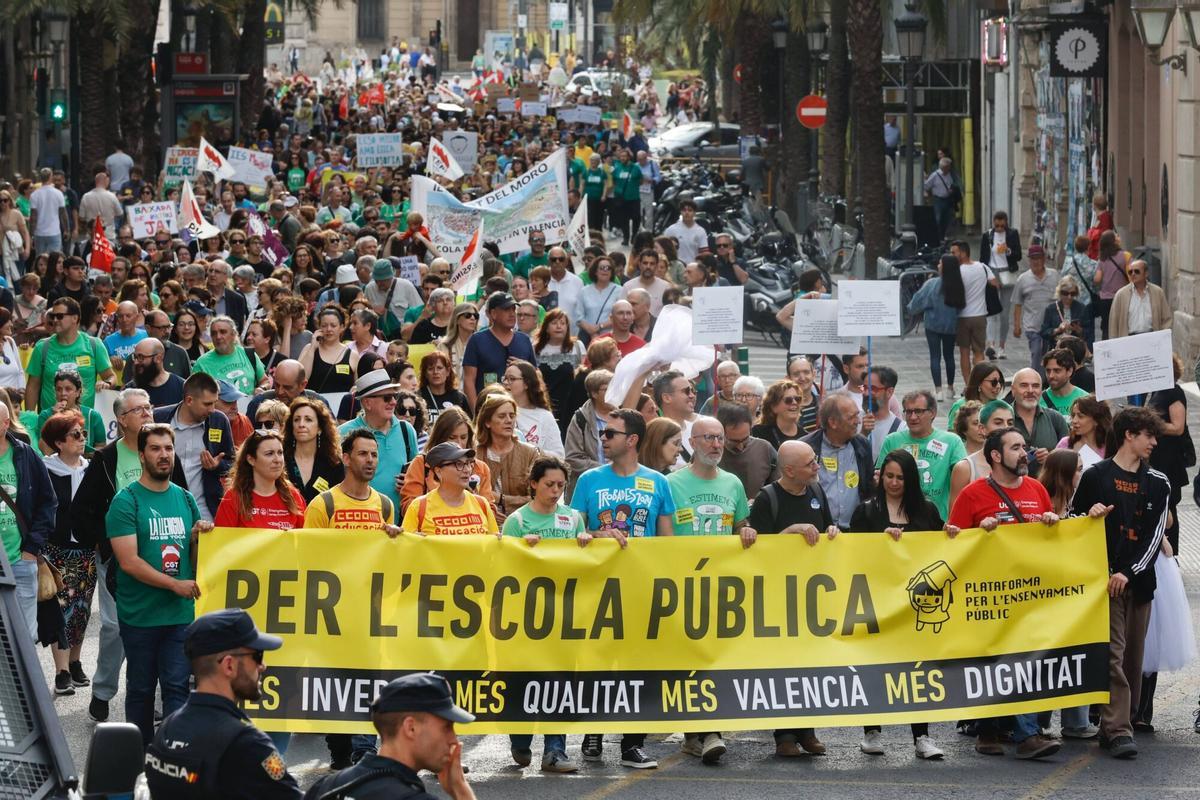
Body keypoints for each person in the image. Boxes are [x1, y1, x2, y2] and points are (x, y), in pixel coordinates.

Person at [946, 427, 1064, 760]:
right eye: (1015, 448)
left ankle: (1026, 734)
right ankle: (989, 729)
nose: (1023, 453)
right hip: (987, 595)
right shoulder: (972, 494)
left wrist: (1053, 523)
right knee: (992, 662)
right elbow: (952, 542)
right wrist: (975, 534)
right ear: (996, 456)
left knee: (1023, 661)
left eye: (1024, 447)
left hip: (1027, 595)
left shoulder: (1037, 489)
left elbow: (1047, 540)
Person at [572, 409, 673, 770]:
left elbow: (668, 541)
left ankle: (633, 743)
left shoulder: (659, 482)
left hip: (641, 588)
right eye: (603, 433)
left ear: (631, 440)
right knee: (598, 663)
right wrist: (597, 535)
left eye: (611, 434)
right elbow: (575, 531)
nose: (604, 439)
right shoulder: (588, 480)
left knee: (640, 667)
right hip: (598, 585)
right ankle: (594, 731)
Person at [1069, 407, 1169, 759]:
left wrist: (1128, 572)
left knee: (1132, 657)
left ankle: (1116, 723)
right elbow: (1072, 520)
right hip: (1102, 581)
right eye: (1148, 435)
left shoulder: (1159, 482)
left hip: (1138, 583)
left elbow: (1155, 537)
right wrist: (1089, 515)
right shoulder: (1096, 475)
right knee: (1112, 654)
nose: (1154, 442)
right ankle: (1117, 729)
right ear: (1130, 434)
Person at [106, 423, 212, 743]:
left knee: (177, 687)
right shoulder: (126, 502)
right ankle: (136, 758)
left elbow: (195, 559)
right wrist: (174, 585)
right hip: (140, 615)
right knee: (140, 689)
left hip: (179, 615)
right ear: (141, 455)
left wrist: (197, 538)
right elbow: (129, 562)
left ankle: (171, 754)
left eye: (168, 448)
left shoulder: (183, 498)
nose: (164, 455)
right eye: (155, 449)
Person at [848, 449, 956, 759]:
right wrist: (879, 542)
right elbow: (853, 557)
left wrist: (950, 533)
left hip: (918, 607)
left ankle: (922, 736)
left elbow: (940, 553)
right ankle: (871, 732)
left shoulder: (928, 511)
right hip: (879, 603)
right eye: (889, 476)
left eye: (900, 477)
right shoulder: (866, 512)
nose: (894, 483)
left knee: (918, 669)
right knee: (877, 668)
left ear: (911, 480)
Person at [71, 388, 162, 722]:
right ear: (122, 420)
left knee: (152, 629)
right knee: (115, 627)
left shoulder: (162, 453)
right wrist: (103, 543)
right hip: (118, 561)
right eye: (140, 410)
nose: (148, 414)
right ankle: (103, 691)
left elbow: (179, 495)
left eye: (150, 408)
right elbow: (80, 512)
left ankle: (142, 697)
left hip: (158, 556)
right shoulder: (106, 459)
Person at [667, 416, 754, 765]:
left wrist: (747, 532)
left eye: (719, 438)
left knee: (715, 661)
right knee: (690, 661)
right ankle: (700, 732)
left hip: (723, 587)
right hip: (682, 585)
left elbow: (741, 524)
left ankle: (707, 732)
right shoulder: (670, 483)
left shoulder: (733, 483)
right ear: (692, 441)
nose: (716, 444)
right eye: (708, 438)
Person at [145, 608, 301, 799]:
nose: (262, 666)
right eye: (257, 656)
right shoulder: (248, 744)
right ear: (229, 665)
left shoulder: (167, 730)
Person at [746, 440, 836, 755]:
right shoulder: (767, 499)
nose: (817, 466)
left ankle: (807, 731)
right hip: (777, 596)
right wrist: (791, 531)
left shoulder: (816, 492)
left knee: (810, 665)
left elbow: (826, 529)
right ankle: (784, 735)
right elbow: (756, 550)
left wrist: (833, 533)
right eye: (811, 462)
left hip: (811, 594)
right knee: (783, 666)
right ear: (789, 470)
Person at [501, 454, 589, 773]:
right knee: (524, 680)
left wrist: (585, 542)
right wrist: (520, 548)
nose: (555, 491)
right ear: (533, 484)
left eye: (561, 486)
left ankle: (555, 751)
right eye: (549, 485)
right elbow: (500, 567)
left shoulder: (572, 519)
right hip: (526, 617)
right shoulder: (518, 522)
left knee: (559, 682)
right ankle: (520, 740)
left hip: (562, 615)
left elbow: (586, 563)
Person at [304, 672, 478, 800]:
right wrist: (461, 791)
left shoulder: (326, 787)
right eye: (446, 727)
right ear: (411, 728)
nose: (454, 739)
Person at [1036, 448, 1101, 741]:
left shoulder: (1080, 503)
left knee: (1076, 655)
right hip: (1045, 595)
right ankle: (1038, 721)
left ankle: (1076, 721)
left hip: (1075, 592)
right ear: (1063, 473)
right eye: (1077, 468)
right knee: (1045, 658)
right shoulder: (1041, 504)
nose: (1081, 473)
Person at [40, 411, 94, 695]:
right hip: (54, 549)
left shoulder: (91, 468)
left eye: (82, 434)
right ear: (59, 442)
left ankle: (75, 662)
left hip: (84, 550)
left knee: (82, 610)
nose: (82, 439)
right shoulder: (45, 470)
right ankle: (61, 671)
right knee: (58, 610)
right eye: (75, 435)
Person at [339, 368, 420, 514]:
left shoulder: (406, 430)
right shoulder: (343, 433)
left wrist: (410, 483)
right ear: (367, 403)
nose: (394, 402)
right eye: (387, 398)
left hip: (399, 526)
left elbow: (419, 476)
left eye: (394, 396)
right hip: (357, 521)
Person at [876, 390, 966, 519]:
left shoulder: (952, 442)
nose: (912, 417)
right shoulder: (891, 440)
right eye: (908, 412)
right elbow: (880, 478)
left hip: (938, 522)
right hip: (900, 521)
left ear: (933, 413)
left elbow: (963, 480)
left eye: (918, 411)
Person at [25, 297, 115, 412]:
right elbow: (33, 387)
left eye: (60, 316)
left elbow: (111, 376)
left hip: (85, 423)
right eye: (53, 316)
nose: (55, 320)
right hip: (50, 423)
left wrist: (107, 383)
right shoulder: (42, 347)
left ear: (75, 318)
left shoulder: (94, 345)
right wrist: (30, 419)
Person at [801, 393, 875, 528]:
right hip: (817, 531)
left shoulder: (863, 445)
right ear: (833, 422)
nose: (858, 421)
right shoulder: (806, 447)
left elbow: (868, 488)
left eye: (857, 415)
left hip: (854, 530)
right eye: (851, 417)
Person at [402, 441, 500, 536]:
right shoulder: (419, 506)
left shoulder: (481, 504)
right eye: (459, 464)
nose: (467, 470)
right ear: (438, 471)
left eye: (468, 463)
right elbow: (406, 545)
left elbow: (494, 546)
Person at [215, 429, 306, 529]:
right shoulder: (234, 497)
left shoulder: (293, 495)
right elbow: (221, 541)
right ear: (251, 460)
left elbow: (305, 539)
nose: (277, 460)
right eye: (269, 454)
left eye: (280, 453)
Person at [1145, 354, 1189, 556]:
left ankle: (1174, 554)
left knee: (1169, 506)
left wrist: (1151, 423)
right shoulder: (1158, 390)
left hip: (1170, 459)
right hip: (1157, 456)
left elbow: (1178, 427)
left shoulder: (1174, 392)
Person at [462, 293, 536, 409]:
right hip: (488, 410)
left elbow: (536, 375)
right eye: (506, 309)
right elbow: (469, 381)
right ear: (493, 314)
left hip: (521, 410)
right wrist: (477, 413)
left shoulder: (524, 340)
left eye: (513, 309)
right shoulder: (477, 340)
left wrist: (524, 366)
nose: (512, 314)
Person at [473, 393, 537, 521]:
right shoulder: (474, 454)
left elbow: (538, 497)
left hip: (523, 523)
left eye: (512, 416)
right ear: (487, 422)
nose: (509, 420)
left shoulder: (530, 453)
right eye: (502, 416)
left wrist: (500, 499)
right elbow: (467, 494)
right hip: (482, 523)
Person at [907, 254, 961, 402]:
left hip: (932, 324)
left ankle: (938, 390)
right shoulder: (958, 285)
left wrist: (910, 309)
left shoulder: (932, 284)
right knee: (949, 356)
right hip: (951, 325)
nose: (938, 265)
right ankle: (950, 388)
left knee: (935, 357)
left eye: (940, 263)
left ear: (944, 267)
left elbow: (918, 300)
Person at [948, 400, 1014, 511]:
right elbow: (954, 522)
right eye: (998, 422)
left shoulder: (1018, 462)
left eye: (1010, 423)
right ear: (982, 429)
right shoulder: (964, 468)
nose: (1006, 427)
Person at [950, 240, 999, 384]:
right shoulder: (982, 267)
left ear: (963, 253)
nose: (952, 255)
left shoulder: (957, 271)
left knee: (964, 352)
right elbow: (994, 283)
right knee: (979, 352)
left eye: (954, 252)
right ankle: (979, 383)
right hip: (979, 315)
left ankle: (968, 384)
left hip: (962, 317)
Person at [1010, 367, 1067, 478]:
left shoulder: (1056, 418)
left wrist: (1050, 458)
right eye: (1024, 385)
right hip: (1011, 489)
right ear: (1013, 390)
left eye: (1035, 386)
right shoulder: (1002, 419)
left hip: (1048, 490)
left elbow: (1069, 459)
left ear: (1041, 390)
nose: (1031, 391)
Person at [1011, 244, 1060, 371]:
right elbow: (1017, 304)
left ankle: (1046, 382)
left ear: (1044, 259)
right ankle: (1035, 381)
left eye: (1039, 258)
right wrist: (1017, 326)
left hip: (1051, 326)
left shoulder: (1054, 275)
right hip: (1033, 325)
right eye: (1033, 258)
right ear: (1029, 260)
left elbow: (1061, 297)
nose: (1036, 261)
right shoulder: (1023, 279)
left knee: (1050, 355)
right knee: (1037, 353)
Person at [35, 369, 107, 455]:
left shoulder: (93, 416)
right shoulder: (45, 416)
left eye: (68, 389)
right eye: (59, 389)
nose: (63, 393)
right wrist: (54, 418)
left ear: (78, 392)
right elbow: (45, 451)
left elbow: (101, 446)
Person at [193, 315, 268, 396]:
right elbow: (194, 394)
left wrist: (262, 388)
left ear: (233, 334)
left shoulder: (248, 354)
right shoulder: (202, 363)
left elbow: (265, 381)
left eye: (223, 332)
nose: (218, 337)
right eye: (214, 333)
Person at [503, 359, 564, 457]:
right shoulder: (498, 411)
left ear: (526, 383)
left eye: (512, 379)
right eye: (505, 378)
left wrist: (534, 452)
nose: (506, 382)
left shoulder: (544, 416)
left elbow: (560, 456)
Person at [717, 403, 779, 500]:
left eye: (745, 439)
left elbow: (780, 485)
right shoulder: (710, 452)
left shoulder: (764, 448)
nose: (740, 447)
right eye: (734, 441)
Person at [1108, 259, 1171, 340]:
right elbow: (1113, 323)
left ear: (1146, 273)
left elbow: (1166, 319)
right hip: (1129, 340)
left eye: (1137, 271)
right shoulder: (1121, 295)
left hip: (1152, 340)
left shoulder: (1158, 292)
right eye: (1130, 272)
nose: (1133, 274)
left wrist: (1163, 338)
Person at [944, 362, 1005, 432]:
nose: (998, 386)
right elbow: (953, 437)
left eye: (1000, 381)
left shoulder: (1002, 406)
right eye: (994, 382)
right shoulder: (960, 406)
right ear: (979, 383)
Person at [576, 256, 623, 345]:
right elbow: (578, 316)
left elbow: (619, 315)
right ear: (595, 271)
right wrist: (591, 331)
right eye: (602, 268)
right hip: (587, 337)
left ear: (612, 271)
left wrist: (599, 327)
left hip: (610, 337)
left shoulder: (619, 291)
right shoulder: (584, 291)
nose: (605, 270)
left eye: (608, 268)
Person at [1094, 230, 1130, 340]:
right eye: (1116, 236)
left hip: (1105, 298)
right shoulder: (1125, 256)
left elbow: (1097, 279)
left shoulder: (1102, 259)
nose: (1119, 237)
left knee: (1106, 327)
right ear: (1113, 241)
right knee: (1122, 326)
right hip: (1122, 297)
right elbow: (1131, 275)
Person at [128, 338, 186, 407]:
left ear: (158, 358)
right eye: (135, 357)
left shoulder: (182, 387)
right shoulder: (130, 390)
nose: (136, 362)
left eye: (141, 357)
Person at [864, 365, 906, 460]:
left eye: (873, 389)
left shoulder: (901, 430)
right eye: (864, 387)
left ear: (889, 392)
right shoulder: (852, 421)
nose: (866, 393)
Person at [752, 380, 805, 451]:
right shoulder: (759, 434)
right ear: (773, 406)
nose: (794, 402)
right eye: (788, 400)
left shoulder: (806, 437)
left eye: (798, 399)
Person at [1039, 276, 1087, 353]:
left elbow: (1089, 332)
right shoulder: (1051, 308)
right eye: (1065, 293)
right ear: (1060, 292)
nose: (1069, 297)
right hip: (1056, 349)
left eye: (1073, 293)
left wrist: (1078, 329)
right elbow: (1044, 332)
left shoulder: (1081, 308)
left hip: (1076, 350)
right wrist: (1058, 330)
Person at [1040, 348, 1088, 417]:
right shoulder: (1038, 400)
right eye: (1048, 371)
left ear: (1069, 371)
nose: (1051, 376)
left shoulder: (1084, 399)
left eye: (1057, 371)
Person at [663, 199, 708, 264]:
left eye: (690, 210)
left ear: (694, 212)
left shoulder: (701, 231)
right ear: (681, 212)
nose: (687, 213)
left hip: (694, 267)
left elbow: (704, 253)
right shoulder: (671, 230)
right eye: (684, 210)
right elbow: (663, 249)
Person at [924, 157, 959, 240]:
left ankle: (943, 236)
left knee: (947, 219)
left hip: (947, 200)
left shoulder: (950, 174)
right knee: (938, 219)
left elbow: (953, 184)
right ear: (943, 167)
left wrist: (952, 190)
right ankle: (937, 237)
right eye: (948, 167)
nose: (949, 168)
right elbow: (926, 186)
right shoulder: (935, 175)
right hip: (938, 200)